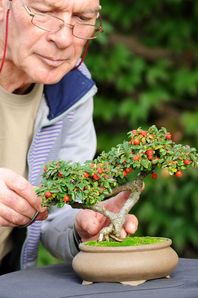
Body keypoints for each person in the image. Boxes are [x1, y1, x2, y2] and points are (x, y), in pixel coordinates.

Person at [0, 0, 138, 275]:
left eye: (83, 16)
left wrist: (82, 225)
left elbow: (55, 214)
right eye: (45, 12)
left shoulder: (73, 89)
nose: (64, 38)